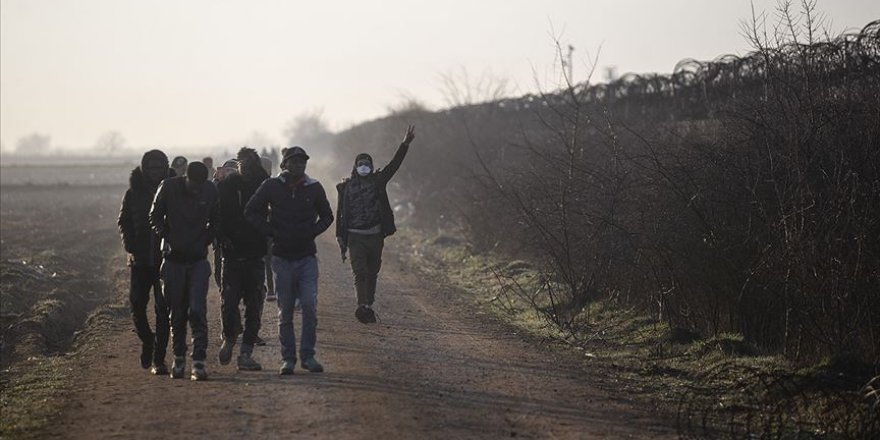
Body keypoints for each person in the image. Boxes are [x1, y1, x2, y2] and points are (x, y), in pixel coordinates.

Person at [245, 146, 333, 375]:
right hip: (282, 258)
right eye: (294, 162)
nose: (299, 165)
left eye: (302, 162)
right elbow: (251, 211)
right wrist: (270, 231)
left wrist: (312, 231)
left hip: (306, 258)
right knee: (285, 312)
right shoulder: (272, 186)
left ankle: (308, 356)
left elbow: (327, 215)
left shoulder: (313, 188)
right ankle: (289, 359)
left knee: (309, 307)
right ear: (284, 165)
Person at [336, 125, 415, 324]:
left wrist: (404, 144)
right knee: (359, 272)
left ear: (371, 166)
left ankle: (369, 304)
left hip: (375, 235)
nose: (364, 167)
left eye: (367, 164)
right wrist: (341, 237)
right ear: (355, 167)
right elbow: (340, 214)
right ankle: (362, 305)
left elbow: (394, 165)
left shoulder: (378, 181)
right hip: (355, 236)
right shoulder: (345, 187)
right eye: (361, 164)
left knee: (372, 272)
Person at [150, 161, 219, 381]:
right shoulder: (168, 187)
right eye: (193, 185)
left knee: (198, 311)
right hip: (173, 261)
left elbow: (217, 220)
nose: (197, 189)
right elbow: (154, 216)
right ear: (186, 178)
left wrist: (204, 240)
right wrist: (166, 236)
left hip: (198, 260)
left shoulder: (210, 190)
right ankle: (179, 358)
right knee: (177, 313)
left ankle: (198, 362)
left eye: (201, 185)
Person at [117, 149, 172, 375]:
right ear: (144, 169)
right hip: (139, 261)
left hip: (165, 262)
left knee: (163, 310)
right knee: (137, 306)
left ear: (165, 168)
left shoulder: (173, 190)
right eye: (151, 167)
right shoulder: (133, 193)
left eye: (159, 167)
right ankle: (147, 341)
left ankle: (159, 359)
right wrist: (129, 244)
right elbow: (123, 220)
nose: (155, 172)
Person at [216, 148, 269, 371]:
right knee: (229, 303)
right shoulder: (228, 185)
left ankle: (245, 353)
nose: (245, 166)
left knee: (254, 306)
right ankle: (229, 338)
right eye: (242, 162)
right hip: (231, 254)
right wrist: (221, 237)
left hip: (255, 254)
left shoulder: (265, 185)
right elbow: (217, 214)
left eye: (249, 162)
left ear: (256, 164)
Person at [259, 155, 276, 302]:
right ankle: (268, 288)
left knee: (266, 259)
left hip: (266, 226)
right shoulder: (269, 184)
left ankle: (269, 288)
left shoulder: (270, 184)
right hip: (264, 226)